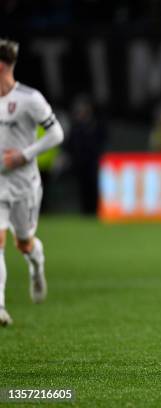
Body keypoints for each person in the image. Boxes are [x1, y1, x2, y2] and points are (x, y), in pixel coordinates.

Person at [0, 39, 64, 326]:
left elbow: (56, 134)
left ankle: (36, 264)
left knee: (23, 244)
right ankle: (0, 306)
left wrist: (24, 155)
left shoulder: (29, 99)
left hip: (24, 184)